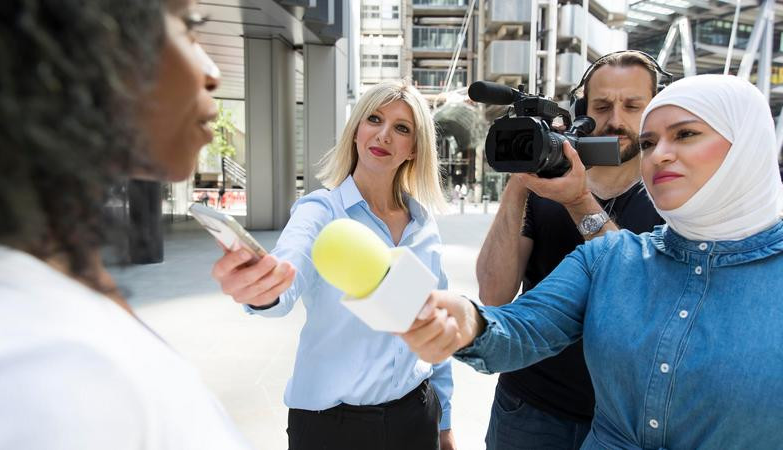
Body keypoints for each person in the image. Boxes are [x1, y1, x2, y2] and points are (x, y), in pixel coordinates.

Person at [403, 74, 783, 448]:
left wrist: (576, 198)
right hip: (532, 409)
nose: (661, 153)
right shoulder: (611, 257)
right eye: (650, 142)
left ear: (747, 142)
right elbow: (519, 327)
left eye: (685, 134)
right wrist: (465, 321)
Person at [0, 1, 252, 449]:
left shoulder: (53, 295)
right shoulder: (48, 370)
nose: (212, 73)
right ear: (92, 40)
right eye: (190, 27)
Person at [211, 80, 456, 450]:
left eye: (401, 128)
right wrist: (262, 290)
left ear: (413, 149)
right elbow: (285, 277)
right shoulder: (321, 211)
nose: (384, 134)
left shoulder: (424, 225)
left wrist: (445, 422)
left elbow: (435, 328)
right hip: (333, 428)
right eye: (374, 119)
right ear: (357, 130)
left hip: (416, 418)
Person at [476, 50, 665, 449]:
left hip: (625, 419)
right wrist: (521, 178)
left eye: (632, 106)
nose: (615, 119)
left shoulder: (671, 194)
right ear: (583, 109)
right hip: (528, 406)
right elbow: (494, 295)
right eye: (601, 106)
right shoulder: (541, 188)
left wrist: (579, 200)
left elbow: (642, 296)